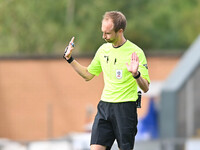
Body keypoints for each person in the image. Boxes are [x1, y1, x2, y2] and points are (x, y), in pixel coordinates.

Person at [63, 11, 150, 150]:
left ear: (120, 31)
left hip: (125, 108)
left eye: (108, 33)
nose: (103, 36)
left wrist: (136, 74)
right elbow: (87, 75)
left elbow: (145, 87)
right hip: (105, 107)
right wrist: (69, 59)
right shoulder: (103, 50)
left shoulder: (136, 52)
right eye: (103, 32)